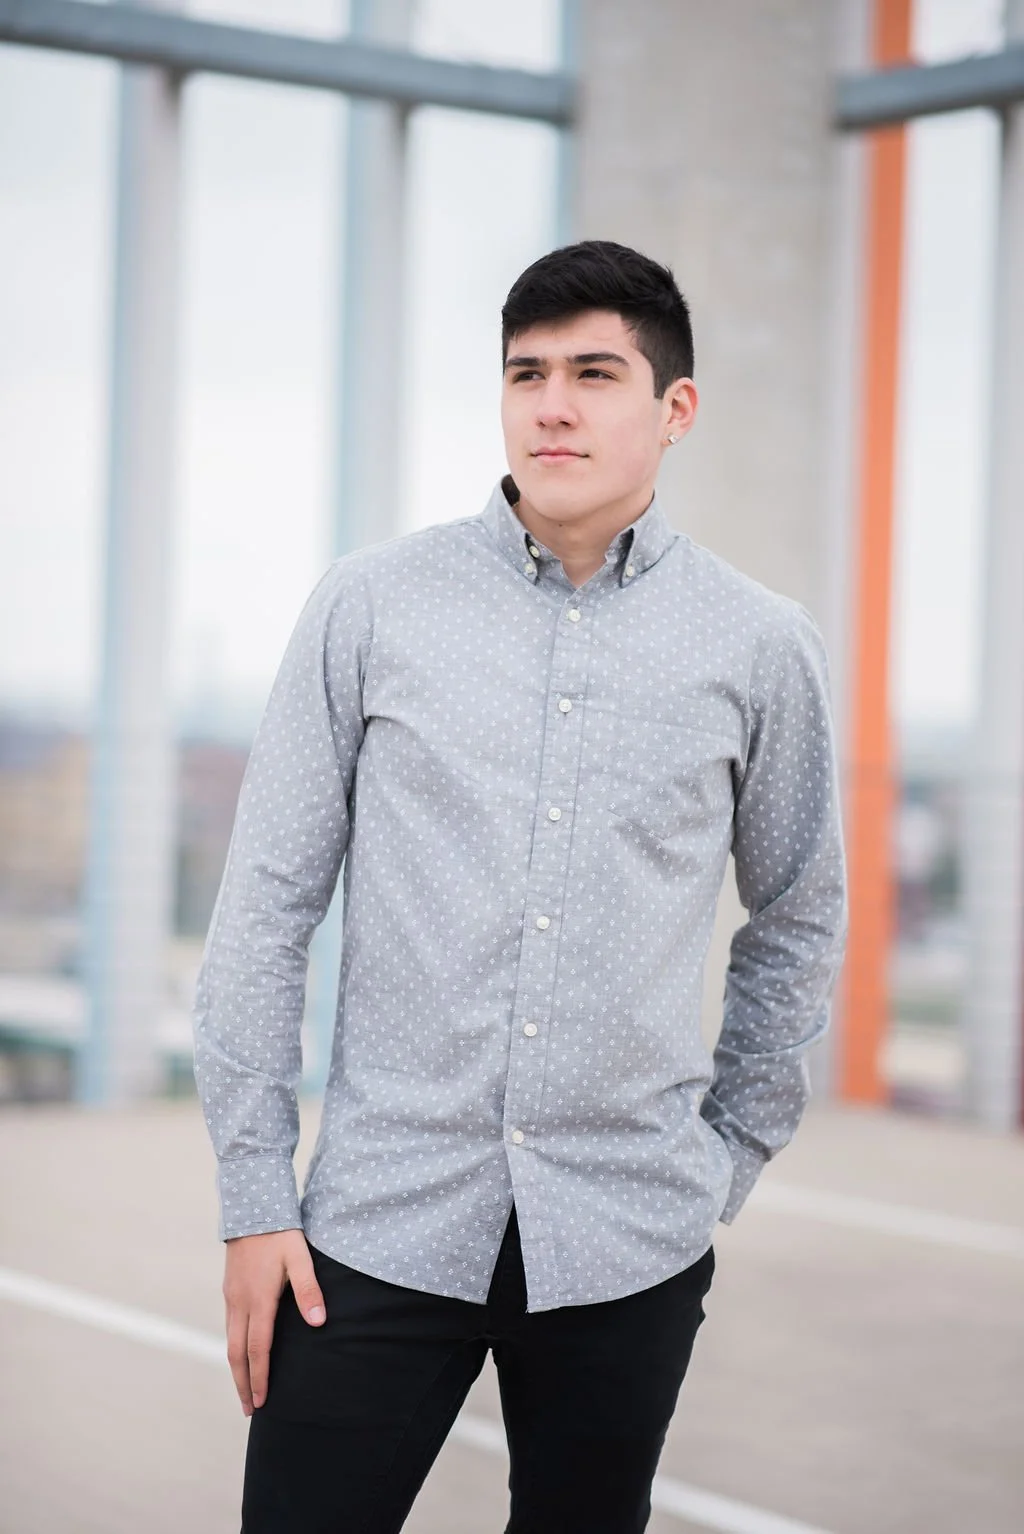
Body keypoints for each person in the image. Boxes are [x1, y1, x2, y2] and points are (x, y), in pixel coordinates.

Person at [192, 238, 849, 1534]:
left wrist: (720, 1159)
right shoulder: (371, 606)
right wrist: (254, 1197)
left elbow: (800, 912)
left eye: (596, 372)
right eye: (526, 371)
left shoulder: (761, 646)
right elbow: (265, 906)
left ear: (676, 410)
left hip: (628, 1239)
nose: (552, 403)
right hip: (370, 1233)